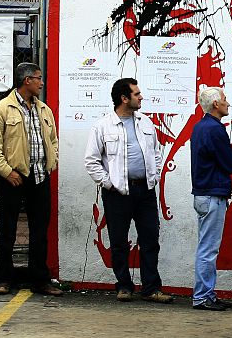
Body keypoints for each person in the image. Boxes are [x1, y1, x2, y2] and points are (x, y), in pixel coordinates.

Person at [84, 78, 172, 303]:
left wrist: (154, 176)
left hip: (145, 191)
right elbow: (92, 161)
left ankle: (151, 288)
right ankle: (124, 285)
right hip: (117, 194)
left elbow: (156, 153)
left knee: (150, 239)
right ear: (124, 98)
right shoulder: (103, 126)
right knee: (119, 241)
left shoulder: (145, 123)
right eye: (136, 94)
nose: (141, 97)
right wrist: (109, 183)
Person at [0, 62, 62, 297]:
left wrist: (52, 162)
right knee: (8, 230)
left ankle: (39, 281)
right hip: (13, 179)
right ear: (27, 80)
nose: (41, 82)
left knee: (40, 231)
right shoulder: (2, 109)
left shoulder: (44, 110)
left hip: (40, 178)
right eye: (38, 78)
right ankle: (4, 279)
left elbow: (53, 141)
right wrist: (6, 171)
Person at [190, 87, 232, 311]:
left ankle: (207, 293)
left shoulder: (199, 127)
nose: (228, 103)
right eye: (225, 99)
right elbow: (230, 164)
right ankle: (202, 297)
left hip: (202, 193)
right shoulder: (216, 130)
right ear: (216, 105)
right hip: (212, 193)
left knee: (205, 247)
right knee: (209, 249)